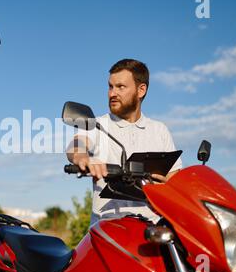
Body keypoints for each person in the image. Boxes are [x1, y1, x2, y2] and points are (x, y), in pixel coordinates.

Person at [66, 59, 182, 226]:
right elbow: (77, 145)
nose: (112, 93)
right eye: (110, 86)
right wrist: (83, 158)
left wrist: (167, 184)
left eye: (120, 87)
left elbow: (175, 178)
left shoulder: (159, 130)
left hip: (155, 228)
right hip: (109, 228)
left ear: (141, 90)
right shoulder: (97, 125)